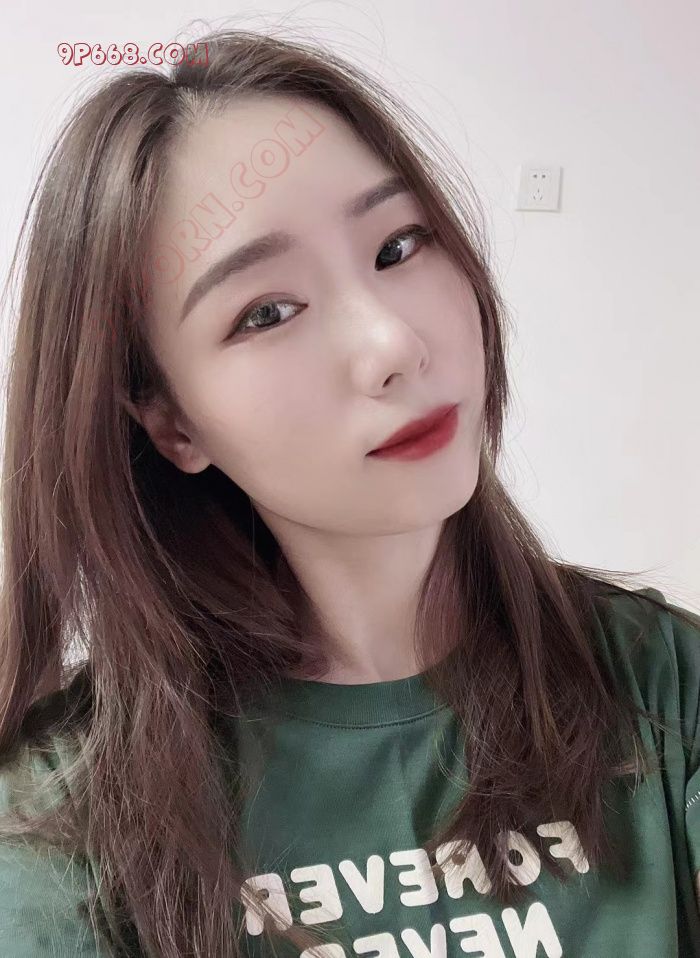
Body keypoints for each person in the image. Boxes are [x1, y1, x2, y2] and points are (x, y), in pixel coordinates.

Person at [0, 25, 699, 958]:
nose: (392, 345)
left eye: (399, 245)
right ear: (172, 423)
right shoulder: (63, 821)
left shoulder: (661, 688)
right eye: (268, 312)